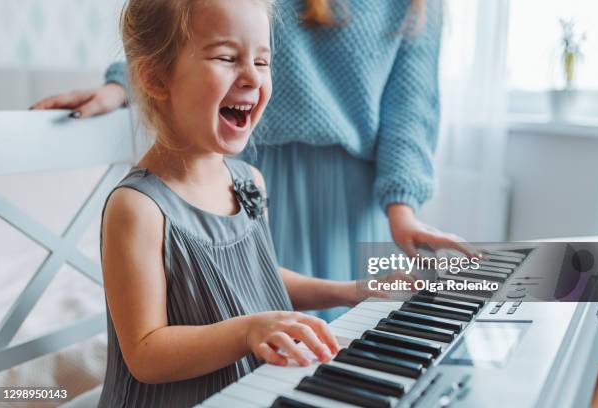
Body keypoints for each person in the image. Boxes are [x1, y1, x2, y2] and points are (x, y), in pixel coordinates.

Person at [33, 0, 473, 320]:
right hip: (262, 172)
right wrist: (121, 86)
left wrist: (402, 209)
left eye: (264, 62)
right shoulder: (216, 188)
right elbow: (179, 29)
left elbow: (410, 112)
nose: (251, 73)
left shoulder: (418, 7)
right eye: (234, 60)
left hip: (356, 201)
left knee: (362, 346)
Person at [94, 0, 396, 405]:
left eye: (263, 61)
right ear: (156, 78)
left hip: (250, 392)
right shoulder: (138, 208)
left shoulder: (248, 182)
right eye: (226, 57)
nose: (252, 77)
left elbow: (260, 275)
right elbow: (146, 353)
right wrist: (247, 332)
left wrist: (351, 290)